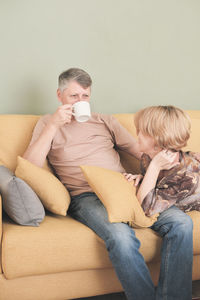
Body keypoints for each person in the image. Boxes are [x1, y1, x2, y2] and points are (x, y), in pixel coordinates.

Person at [23, 68, 193, 300]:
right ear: (59, 95)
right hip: (87, 196)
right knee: (121, 237)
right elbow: (30, 166)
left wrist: (150, 172)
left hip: (124, 188)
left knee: (181, 223)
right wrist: (54, 125)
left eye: (85, 96)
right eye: (74, 96)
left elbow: (142, 151)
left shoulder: (104, 121)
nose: (80, 101)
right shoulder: (47, 124)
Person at [124, 105, 200, 215]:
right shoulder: (148, 156)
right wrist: (145, 178)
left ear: (159, 137)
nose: (137, 135)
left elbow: (146, 209)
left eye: (142, 131)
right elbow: (159, 186)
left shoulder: (187, 176)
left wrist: (154, 167)